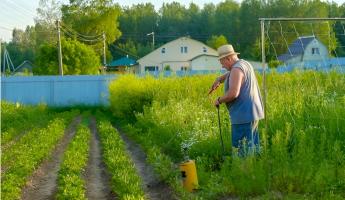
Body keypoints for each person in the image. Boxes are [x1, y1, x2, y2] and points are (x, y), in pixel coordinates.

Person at [209, 44, 264, 156]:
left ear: (228, 58)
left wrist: (219, 100)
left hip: (243, 117)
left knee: (241, 152)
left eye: (222, 62)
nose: (222, 66)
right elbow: (232, 73)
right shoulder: (244, 64)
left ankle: (243, 172)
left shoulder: (236, 69)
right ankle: (254, 170)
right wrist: (220, 79)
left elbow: (233, 93)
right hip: (251, 114)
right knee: (252, 149)